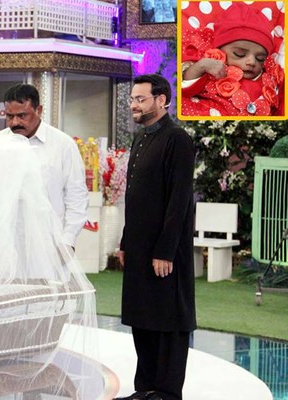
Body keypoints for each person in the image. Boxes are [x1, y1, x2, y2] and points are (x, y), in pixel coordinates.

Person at [115, 74, 196, 400]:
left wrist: (165, 250)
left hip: (165, 250)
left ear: (161, 100)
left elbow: (179, 199)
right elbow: (134, 197)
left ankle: (166, 392)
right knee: (143, 315)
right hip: (139, 246)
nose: (134, 105)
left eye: (141, 99)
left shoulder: (177, 139)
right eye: (132, 99)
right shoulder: (142, 138)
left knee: (168, 317)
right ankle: (146, 388)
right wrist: (126, 242)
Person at [0, 83, 88, 249]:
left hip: (50, 243)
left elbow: (76, 195)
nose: (15, 122)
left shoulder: (63, 145)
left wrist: (69, 239)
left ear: (39, 110)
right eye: (9, 116)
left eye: (22, 115)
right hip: (7, 244)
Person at [181, 2, 284, 117]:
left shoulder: (267, 78)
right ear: (219, 49)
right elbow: (185, 89)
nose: (252, 62)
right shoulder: (212, 66)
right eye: (240, 54)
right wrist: (201, 66)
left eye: (260, 58)